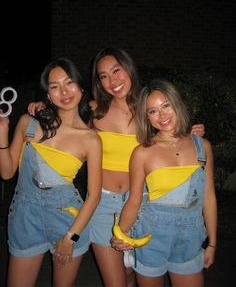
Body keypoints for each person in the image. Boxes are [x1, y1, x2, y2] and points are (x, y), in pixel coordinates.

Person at [27, 47, 205, 287]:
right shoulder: (92, 110)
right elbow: (63, 114)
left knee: (133, 274)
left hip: (143, 204)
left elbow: (172, 129)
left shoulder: (148, 108)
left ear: (128, 68)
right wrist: (41, 106)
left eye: (116, 71)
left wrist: (190, 133)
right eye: (103, 76)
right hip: (103, 205)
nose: (112, 81)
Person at [0, 58, 102, 287]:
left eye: (69, 83)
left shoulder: (91, 139)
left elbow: (94, 195)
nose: (64, 92)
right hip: (25, 218)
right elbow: (7, 172)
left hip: (67, 221)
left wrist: (71, 237)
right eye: (54, 86)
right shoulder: (29, 123)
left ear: (81, 87)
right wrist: (2, 133)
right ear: (47, 94)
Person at [111, 79, 217, 287]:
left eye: (165, 105)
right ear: (147, 117)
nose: (162, 115)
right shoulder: (142, 152)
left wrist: (212, 243)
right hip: (151, 237)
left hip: (191, 238)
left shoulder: (202, 146)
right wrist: (121, 233)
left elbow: (209, 197)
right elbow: (134, 201)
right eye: (152, 111)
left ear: (176, 104)